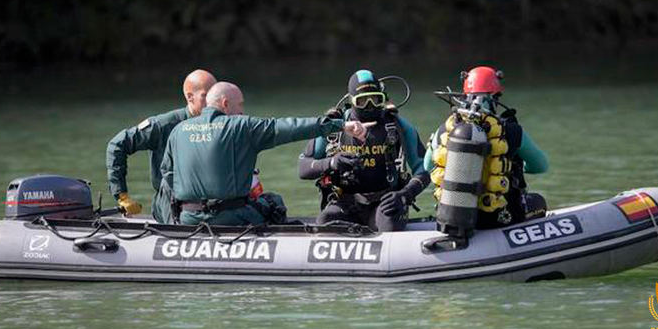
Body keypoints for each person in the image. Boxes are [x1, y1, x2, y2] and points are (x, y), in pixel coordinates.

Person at [160, 81, 371, 226]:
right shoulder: (242, 126)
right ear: (225, 104)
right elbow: (292, 127)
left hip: (188, 218)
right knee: (273, 203)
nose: (242, 111)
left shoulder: (179, 130)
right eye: (240, 105)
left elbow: (167, 175)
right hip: (231, 218)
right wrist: (341, 125)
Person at [298, 69, 430, 231]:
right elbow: (303, 168)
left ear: (383, 98)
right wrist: (332, 162)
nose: (370, 106)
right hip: (346, 203)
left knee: (389, 225)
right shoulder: (333, 126)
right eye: (362, 101)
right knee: (326, 220)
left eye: (375, 99)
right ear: (352, 100)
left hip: (386, 203)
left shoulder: (398, 126)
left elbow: (424, 169)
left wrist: (405, 194)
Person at [426, 66, 548, 229]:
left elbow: (427, 166)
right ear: (495, 97)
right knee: (538, 201)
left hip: (455, 217)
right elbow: (541, 166)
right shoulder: (512, 130)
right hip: (500, 218)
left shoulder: (445, 129)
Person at [106, 69, 217, 222]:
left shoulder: (220, 126)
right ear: (190, 97)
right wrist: (121, 195)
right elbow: (117, 144)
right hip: (169, 200)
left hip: (204, 201)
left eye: (215, 95)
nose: (213, 102)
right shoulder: (163, 125)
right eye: (206, 96)